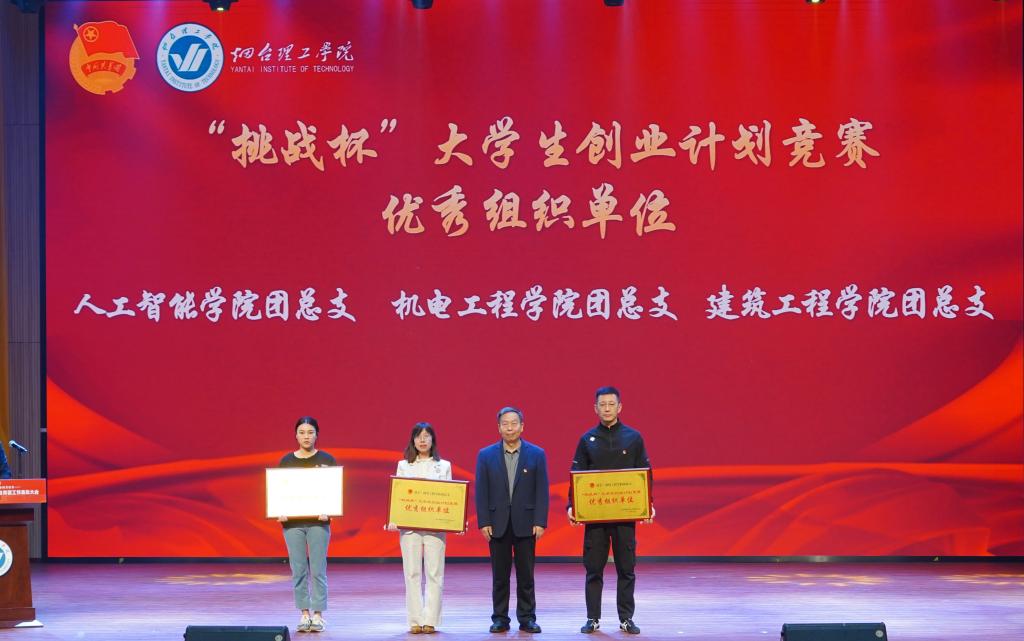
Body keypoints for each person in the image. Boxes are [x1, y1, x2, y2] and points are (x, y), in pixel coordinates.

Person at [567, 387, 653, 635]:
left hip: (625, 517)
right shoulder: (587, 439)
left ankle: (626, 618)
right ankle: (592, 618)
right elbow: (577, 475)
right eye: (602, 405)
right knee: (593, 569)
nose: (607, 409)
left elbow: (645, 473)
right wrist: (572, 506)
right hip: (595, 518)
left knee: (627, 569)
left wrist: (648, 504)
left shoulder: (633, 438)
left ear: (619, 407)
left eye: (611, 404)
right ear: (595, 408)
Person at [475, 406, 549, 634]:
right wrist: (483, 521)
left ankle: (527, 618)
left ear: (522, 426)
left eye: (514, 423)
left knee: (526, 575)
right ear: (498, 427)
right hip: (497, 523)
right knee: (500, 576)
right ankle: (500, 618)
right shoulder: (485, 455)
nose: (510, 428)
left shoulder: (537, 454)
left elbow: (542, 490)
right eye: (505, 424)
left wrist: (540, 521)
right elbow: (481, 491)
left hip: (526, 523)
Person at [389, 423, 453, 634]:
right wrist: (394, 519)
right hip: (410, 528)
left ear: (433, 440)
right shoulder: (403, 465)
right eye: (418, 436)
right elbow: (399, 496)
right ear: (413, 440)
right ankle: (415, 620)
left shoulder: (444, 466)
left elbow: (451, 498)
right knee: (412, 573)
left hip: (435, 527)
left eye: (427, 436)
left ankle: (431, 620)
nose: (422, 440)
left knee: (435, 573)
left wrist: (455, 521)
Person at [278, 416, 337, 634]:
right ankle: (304, 614)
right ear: (296, 435)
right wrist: (279, 511)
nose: (306, 436)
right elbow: (279, 491)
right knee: (298, 569)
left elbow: (333, 490)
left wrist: (330, 510)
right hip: (292, 524)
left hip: (318, 523)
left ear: (316, 435)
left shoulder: (327, 459)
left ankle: (318, 615)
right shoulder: (286, 461)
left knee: (318, 569)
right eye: (302, 432)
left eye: (310, 432)